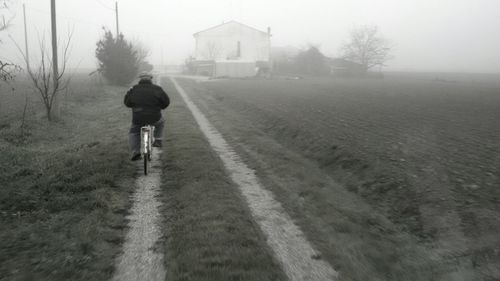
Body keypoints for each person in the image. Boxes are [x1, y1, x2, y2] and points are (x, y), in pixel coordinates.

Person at [124, 72, 170, 161]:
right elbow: (166, 102)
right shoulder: (158, 89)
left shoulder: (133, 89)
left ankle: (135, 152)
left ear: (140, 79)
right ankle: (157, 139)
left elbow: (127, 103)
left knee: (134, 133)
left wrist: (129, 94)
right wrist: (161, 107)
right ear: (151, 79)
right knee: (161, 122)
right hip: (155, 117)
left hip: (138, 118)